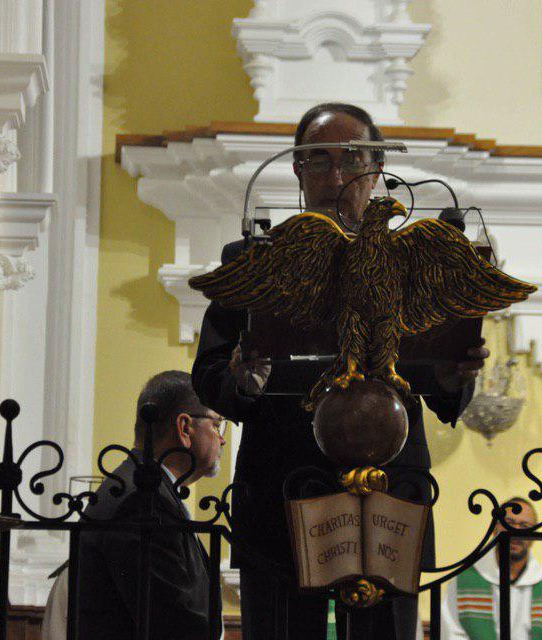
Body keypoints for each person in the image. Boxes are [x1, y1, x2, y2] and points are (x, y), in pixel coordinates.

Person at [192, 102, 488, 640]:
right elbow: (209, 373)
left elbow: (443, 390)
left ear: (377, 171)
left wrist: (453, 374)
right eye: (319, 161)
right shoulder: (254, 259)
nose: (335, 177)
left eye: (352, 161)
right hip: (282, 486)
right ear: (297, 171)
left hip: (390, 490)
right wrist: (240, 379)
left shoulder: (416, 263)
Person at [62, 370, 226, 640]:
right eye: (217, 425)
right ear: (185, 428)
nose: (221, 439)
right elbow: (173, 624)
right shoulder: (142, 501)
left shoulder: (150, 490)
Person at [437, 498, 542, 640]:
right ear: (494, 528)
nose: (515, 531)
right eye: (508, 522)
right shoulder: (465, 581)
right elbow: (451, 633)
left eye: (524, 526)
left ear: (534, 536)